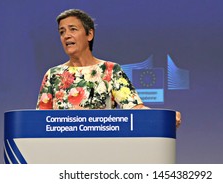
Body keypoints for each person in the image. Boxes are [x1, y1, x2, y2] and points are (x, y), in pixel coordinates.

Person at [36, 9, 181, 128]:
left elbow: (134, 109)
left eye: (72, 29)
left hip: (102, 149)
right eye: (62, 32)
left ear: (89, 34)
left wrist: (163, 118)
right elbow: (39, 121)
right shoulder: (53, 75)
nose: (66, 35)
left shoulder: (110, 70)